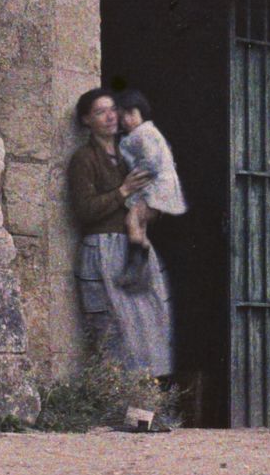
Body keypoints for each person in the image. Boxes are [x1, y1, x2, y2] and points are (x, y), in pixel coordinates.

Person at [67, 86, 173, 380]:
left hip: (134, 249)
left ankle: (148, 405)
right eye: (100, 112)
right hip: (104, 251)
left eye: (113, 109)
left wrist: (152, 205)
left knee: (152, 323)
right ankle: (117, 406)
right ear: (87, 120)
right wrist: (123, 190)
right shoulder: (84, 159)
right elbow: (85, 211)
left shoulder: (132, 152)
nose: (110, 116)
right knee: (115, 329)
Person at [115, 89, 186, 257]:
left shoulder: (143, 134)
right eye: (122, 116)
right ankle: (144, 245)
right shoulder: (148, 132)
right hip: (160, 184)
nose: (126, 120)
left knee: (131, 219)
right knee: (141, 222)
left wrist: (137, 173)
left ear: (142, 112)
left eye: (131, 113)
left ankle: (135, 253)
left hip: (156, 186)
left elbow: (152, 161)